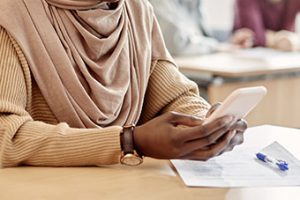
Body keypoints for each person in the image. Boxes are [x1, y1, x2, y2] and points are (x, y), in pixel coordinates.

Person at [0, 0, 247, 168]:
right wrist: (128, 142)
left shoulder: (135, 10)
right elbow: (5, 134)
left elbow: (174, 95)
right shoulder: (10, 14)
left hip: (125, 186)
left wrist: (206, 124)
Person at [149, 0, 230, 56]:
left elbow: (201, 34)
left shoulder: (192, 2)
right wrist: (215, 46)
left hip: (197, 64)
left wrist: (229, 39)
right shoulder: (159, 3)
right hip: (180, 69)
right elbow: (177, 44)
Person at [232, 0, 300, 51]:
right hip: (249, 56)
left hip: (287, 58)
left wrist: (296, 41)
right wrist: (280, 40)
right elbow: (254, 36)